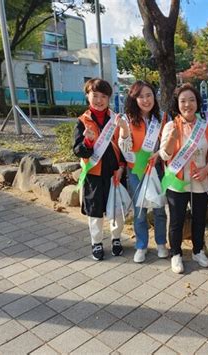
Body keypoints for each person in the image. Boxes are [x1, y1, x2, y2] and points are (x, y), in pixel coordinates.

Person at [159, 83, 208, 274]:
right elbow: (164, 155)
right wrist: (171, 138)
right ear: (177, 104)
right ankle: (176, 254)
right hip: (177, 183)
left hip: (199, 182)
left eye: (191, 100)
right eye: (183, 101)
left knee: (199, 219)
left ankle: (198, 250)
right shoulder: (171, 125)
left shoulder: (207, 127)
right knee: (176, 220)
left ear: (197, 102)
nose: (188, 104)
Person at [73, 78, 126, 261]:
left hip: (114, 174)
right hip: (94, 176)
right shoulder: (82, 122)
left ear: (109, 98)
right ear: (87, 96)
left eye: (104, 96)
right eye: (95, 95)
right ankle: (96, 242)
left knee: (116, 209)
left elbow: (125, 148)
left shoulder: (116, 119)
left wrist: (122, 167)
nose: (99, 100)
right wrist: (87, 141)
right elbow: (77, 150)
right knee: (95, 211)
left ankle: (116, 238)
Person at [117, 81, 168, 263]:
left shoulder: (162, 118)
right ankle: (141, 245)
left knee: (160, 208)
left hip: (157, 169)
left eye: (149, 95)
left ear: (154, 97)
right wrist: (123, 130)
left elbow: (167, 145)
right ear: (134, 99)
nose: (146, 100)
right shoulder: (127, 119)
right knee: (140, 210)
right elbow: (124, 148)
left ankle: (161, 242)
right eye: (141, 96)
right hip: (136, 171)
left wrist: (159, 154)